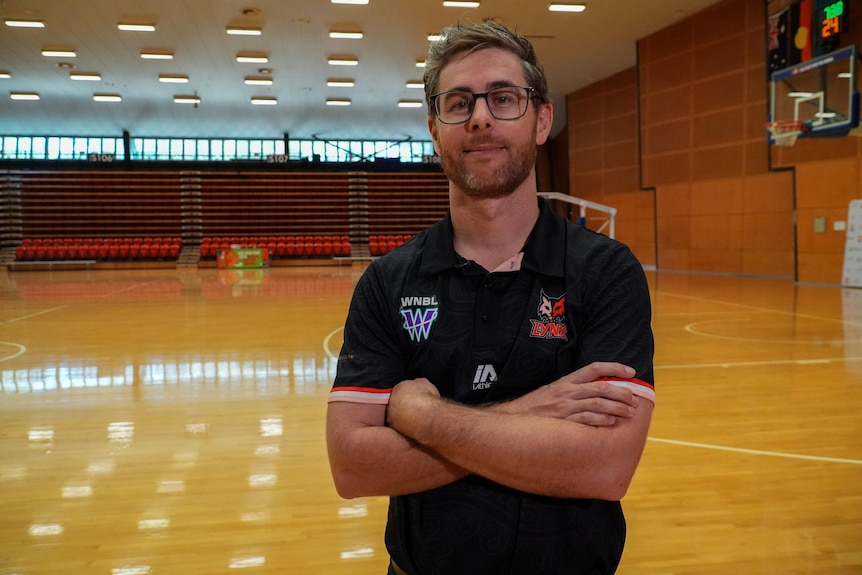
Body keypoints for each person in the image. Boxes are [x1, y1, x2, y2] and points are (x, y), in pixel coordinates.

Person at [326, 19, 655, 575]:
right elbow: (353, 468)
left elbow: (604, 466)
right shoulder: (388, 281)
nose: (480, 117)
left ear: (542, 119)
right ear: (435, 130)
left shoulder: (606, 272)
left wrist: (423, 417)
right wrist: (528, 411)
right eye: (458, 103)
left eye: (503, 98)